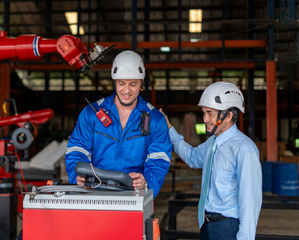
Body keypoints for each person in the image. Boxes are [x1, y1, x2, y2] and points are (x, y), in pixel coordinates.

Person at [160, 81, 262, 240]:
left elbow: (250, 201)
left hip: (228, 227)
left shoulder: (244, 149)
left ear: (228, 116)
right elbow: (193, 158)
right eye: (204, 113)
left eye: (210, 113)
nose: (205, 119)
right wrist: (169, 129)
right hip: (207, 224)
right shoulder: (212, 142)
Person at [65, 50, 172, 198]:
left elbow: (159, 159)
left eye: (133, 84)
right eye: (121, 83)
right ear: (114, 82)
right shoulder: (92, 113)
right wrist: (76, 175)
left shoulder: (155, 120)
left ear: (142, 82)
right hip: (94, 194)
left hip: (134, 197)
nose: (126, 90)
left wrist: (146, 181)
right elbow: (77, 149)